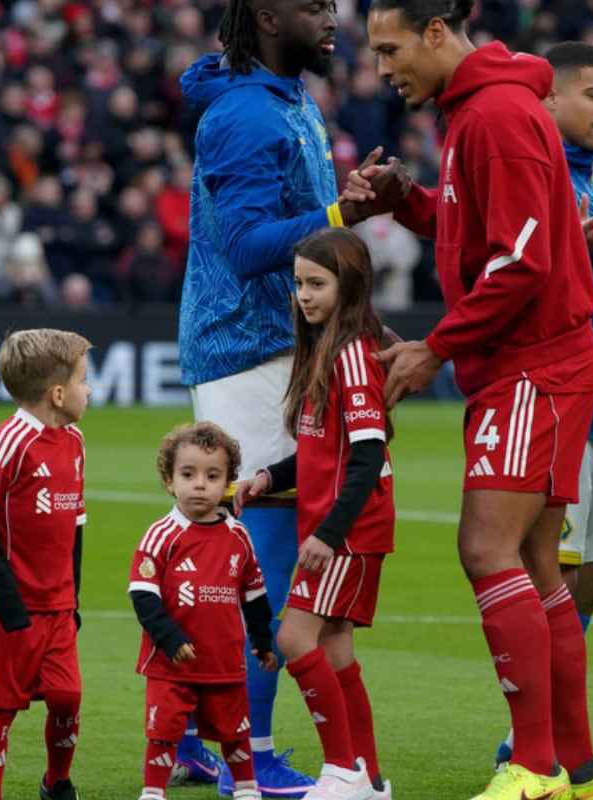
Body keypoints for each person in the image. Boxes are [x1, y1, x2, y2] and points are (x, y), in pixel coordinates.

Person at [363, 2, 593, 799]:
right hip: (540, 361)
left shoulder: (494, 113)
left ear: (438, 33)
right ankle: (579, 770)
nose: (382, 67)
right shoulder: (481, 109)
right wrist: (409, 200)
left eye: (390, 47)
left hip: (533, 364)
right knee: (535, 561)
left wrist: (438, 346)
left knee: (486, 550)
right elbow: (484, 232)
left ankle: (533, 767)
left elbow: (522, 260)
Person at [178, 1, 408, 795]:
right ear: (268, 15)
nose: (334, 17)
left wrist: (340, 201)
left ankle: (189, 736)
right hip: (249, 348)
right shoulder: (246, 113)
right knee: (269, 566)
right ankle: (253, 750)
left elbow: (289, 225)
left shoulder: (286, 99)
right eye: (315, 6)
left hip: (279, 345)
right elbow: (245, 248)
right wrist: (345, 212)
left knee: (248, 556)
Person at [488, 41, 593, 794]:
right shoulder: (540, 175)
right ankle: (533, 741)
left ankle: (546, 727)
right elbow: (506, 280)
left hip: (592, 401)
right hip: (549, 400)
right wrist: (571, 249)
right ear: (548, 99)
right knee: (549, 574)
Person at [234, 227, 397, 800]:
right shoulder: (329, 346)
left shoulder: (353, 353)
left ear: (349, 285)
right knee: (335, 651)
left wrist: (330, 534)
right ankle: (369, 777)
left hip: (349, 530)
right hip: (347, 527)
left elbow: (369, 453)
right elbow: (318, 450)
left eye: (317, 284)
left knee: (295, 638)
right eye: (299, 282)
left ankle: (340, 771)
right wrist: (267, 478)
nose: (304, 294)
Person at [0, 329, 91, 800]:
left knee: (67, 697)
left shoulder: (73, 440)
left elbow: (75, 523)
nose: (89, 390)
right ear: (57, 393)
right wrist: (8, 599)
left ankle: (57, 783)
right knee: (1, 707)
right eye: (83, 380)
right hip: (10, 607)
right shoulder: (11, 440)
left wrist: (73, 594)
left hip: (57, 604)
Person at [127, 422, 278, 800]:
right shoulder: (161, 535)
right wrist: (170, 639)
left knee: (235, 729)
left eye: (212, 476)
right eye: (188, 474)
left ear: (227, 482)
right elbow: (143, 596)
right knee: (163, 730)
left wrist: (262, 640)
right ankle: (153, 793)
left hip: (224, 659)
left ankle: (246, 790)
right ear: (169, 481)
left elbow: (255, 593)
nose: (199, 484)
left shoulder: (238, 535)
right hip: (171, 662)